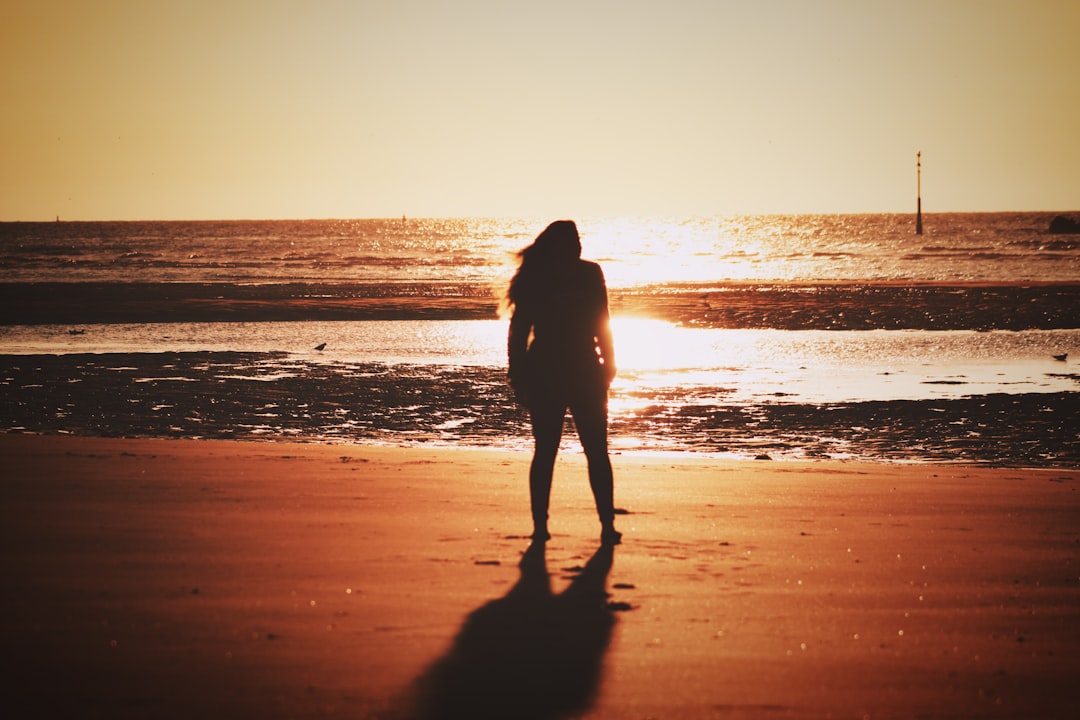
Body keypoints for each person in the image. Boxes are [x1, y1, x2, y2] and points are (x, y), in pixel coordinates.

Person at [506, 220, 620, 545]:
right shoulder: (544, 277)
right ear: (560, 246)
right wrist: (516, 375)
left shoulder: (585, 273)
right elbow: (519, 329)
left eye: (579, 240)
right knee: (560, 452)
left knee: (587, 452)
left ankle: (603, 525)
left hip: (573, 369)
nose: (579, 246)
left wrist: (609, 364)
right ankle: (546, 526)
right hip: (558, 370)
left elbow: (603, 320)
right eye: (573, 241)